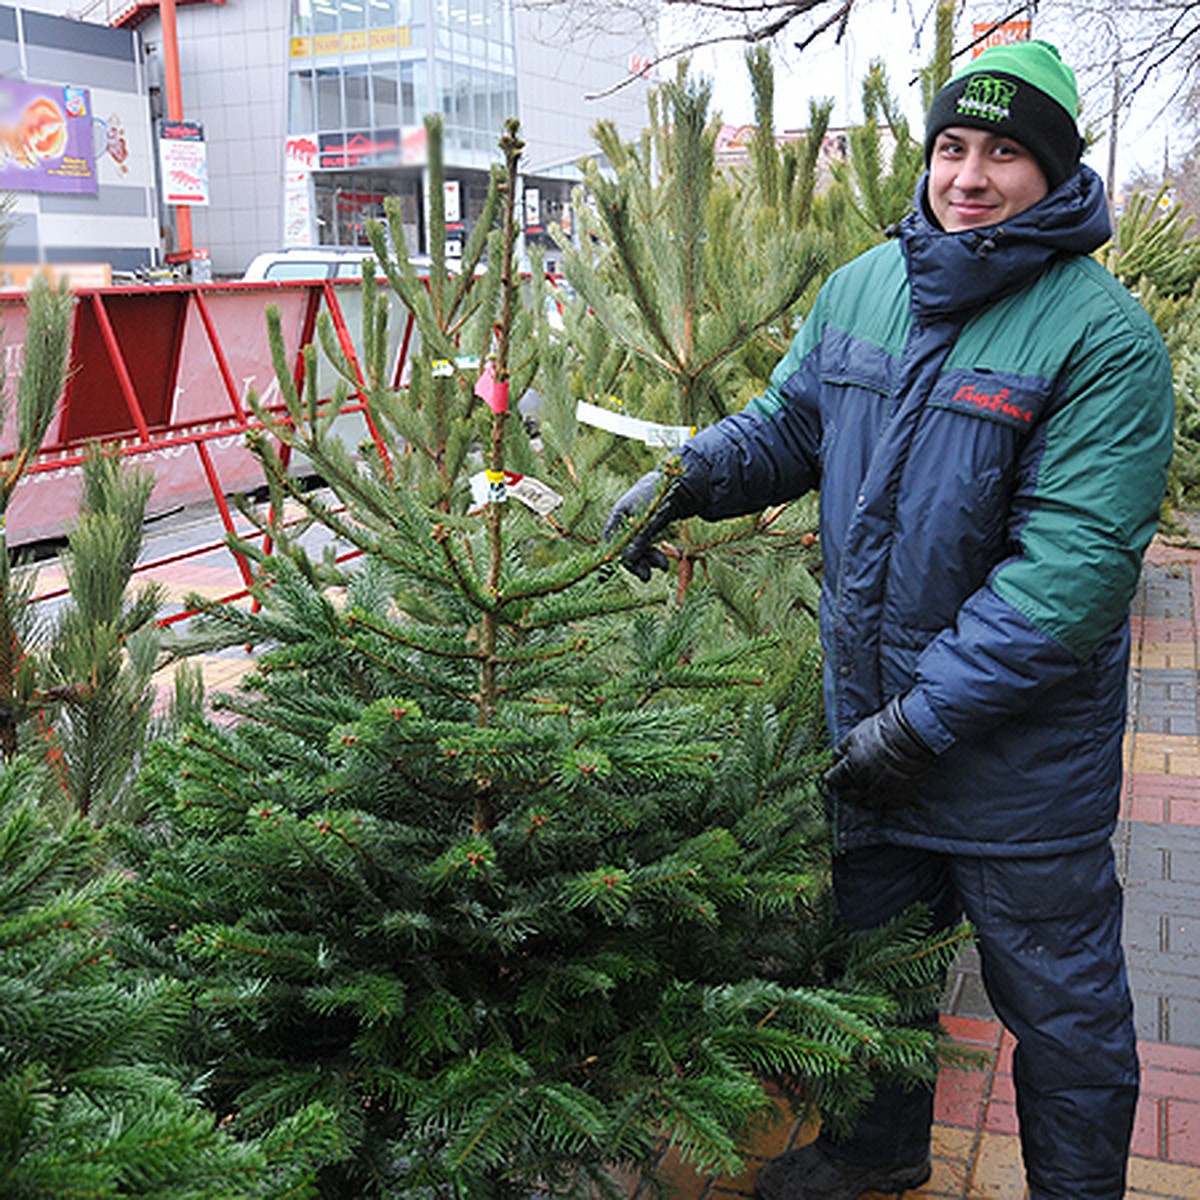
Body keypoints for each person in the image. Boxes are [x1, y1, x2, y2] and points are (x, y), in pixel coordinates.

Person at [603, 40, 1174, 1200]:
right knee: (878, 974)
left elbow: (1063, 581)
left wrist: (921, 726)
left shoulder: (1102, 341)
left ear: (1055, 175)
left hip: (1014, 765)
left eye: (1005, 153)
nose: (970, 175)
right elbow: (788, 425)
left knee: (1060, 1011)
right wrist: (688, 478)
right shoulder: (865, 286)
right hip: (871, 728)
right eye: (953, 146)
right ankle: (876, 1150)